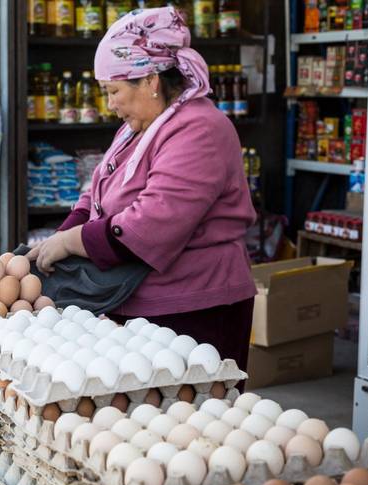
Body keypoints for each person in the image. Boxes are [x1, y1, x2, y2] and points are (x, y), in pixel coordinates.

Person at [27, 7, 257, 370]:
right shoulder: (140, 127)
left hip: (196, 305)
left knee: (195, 403)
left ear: (150, 81)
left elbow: (152, 223)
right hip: (140, 300)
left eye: (114, 91)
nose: (110, 104)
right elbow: (96, 193)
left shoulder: (200, 129)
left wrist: (71, 242)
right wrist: (59, 238)